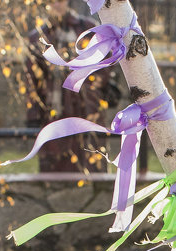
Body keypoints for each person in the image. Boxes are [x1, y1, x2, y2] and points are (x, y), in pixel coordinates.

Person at [25, 0, 121, 172]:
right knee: (57, 165)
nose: (56, 5)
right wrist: (33, 114)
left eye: (60, 0)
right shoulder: (39, 36)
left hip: (87, 108)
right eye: (52, 1)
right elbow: (31, 79)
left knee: (91, 160)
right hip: (53, 111)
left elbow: (104, 66)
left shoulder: (87, 29)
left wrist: (85, 85)